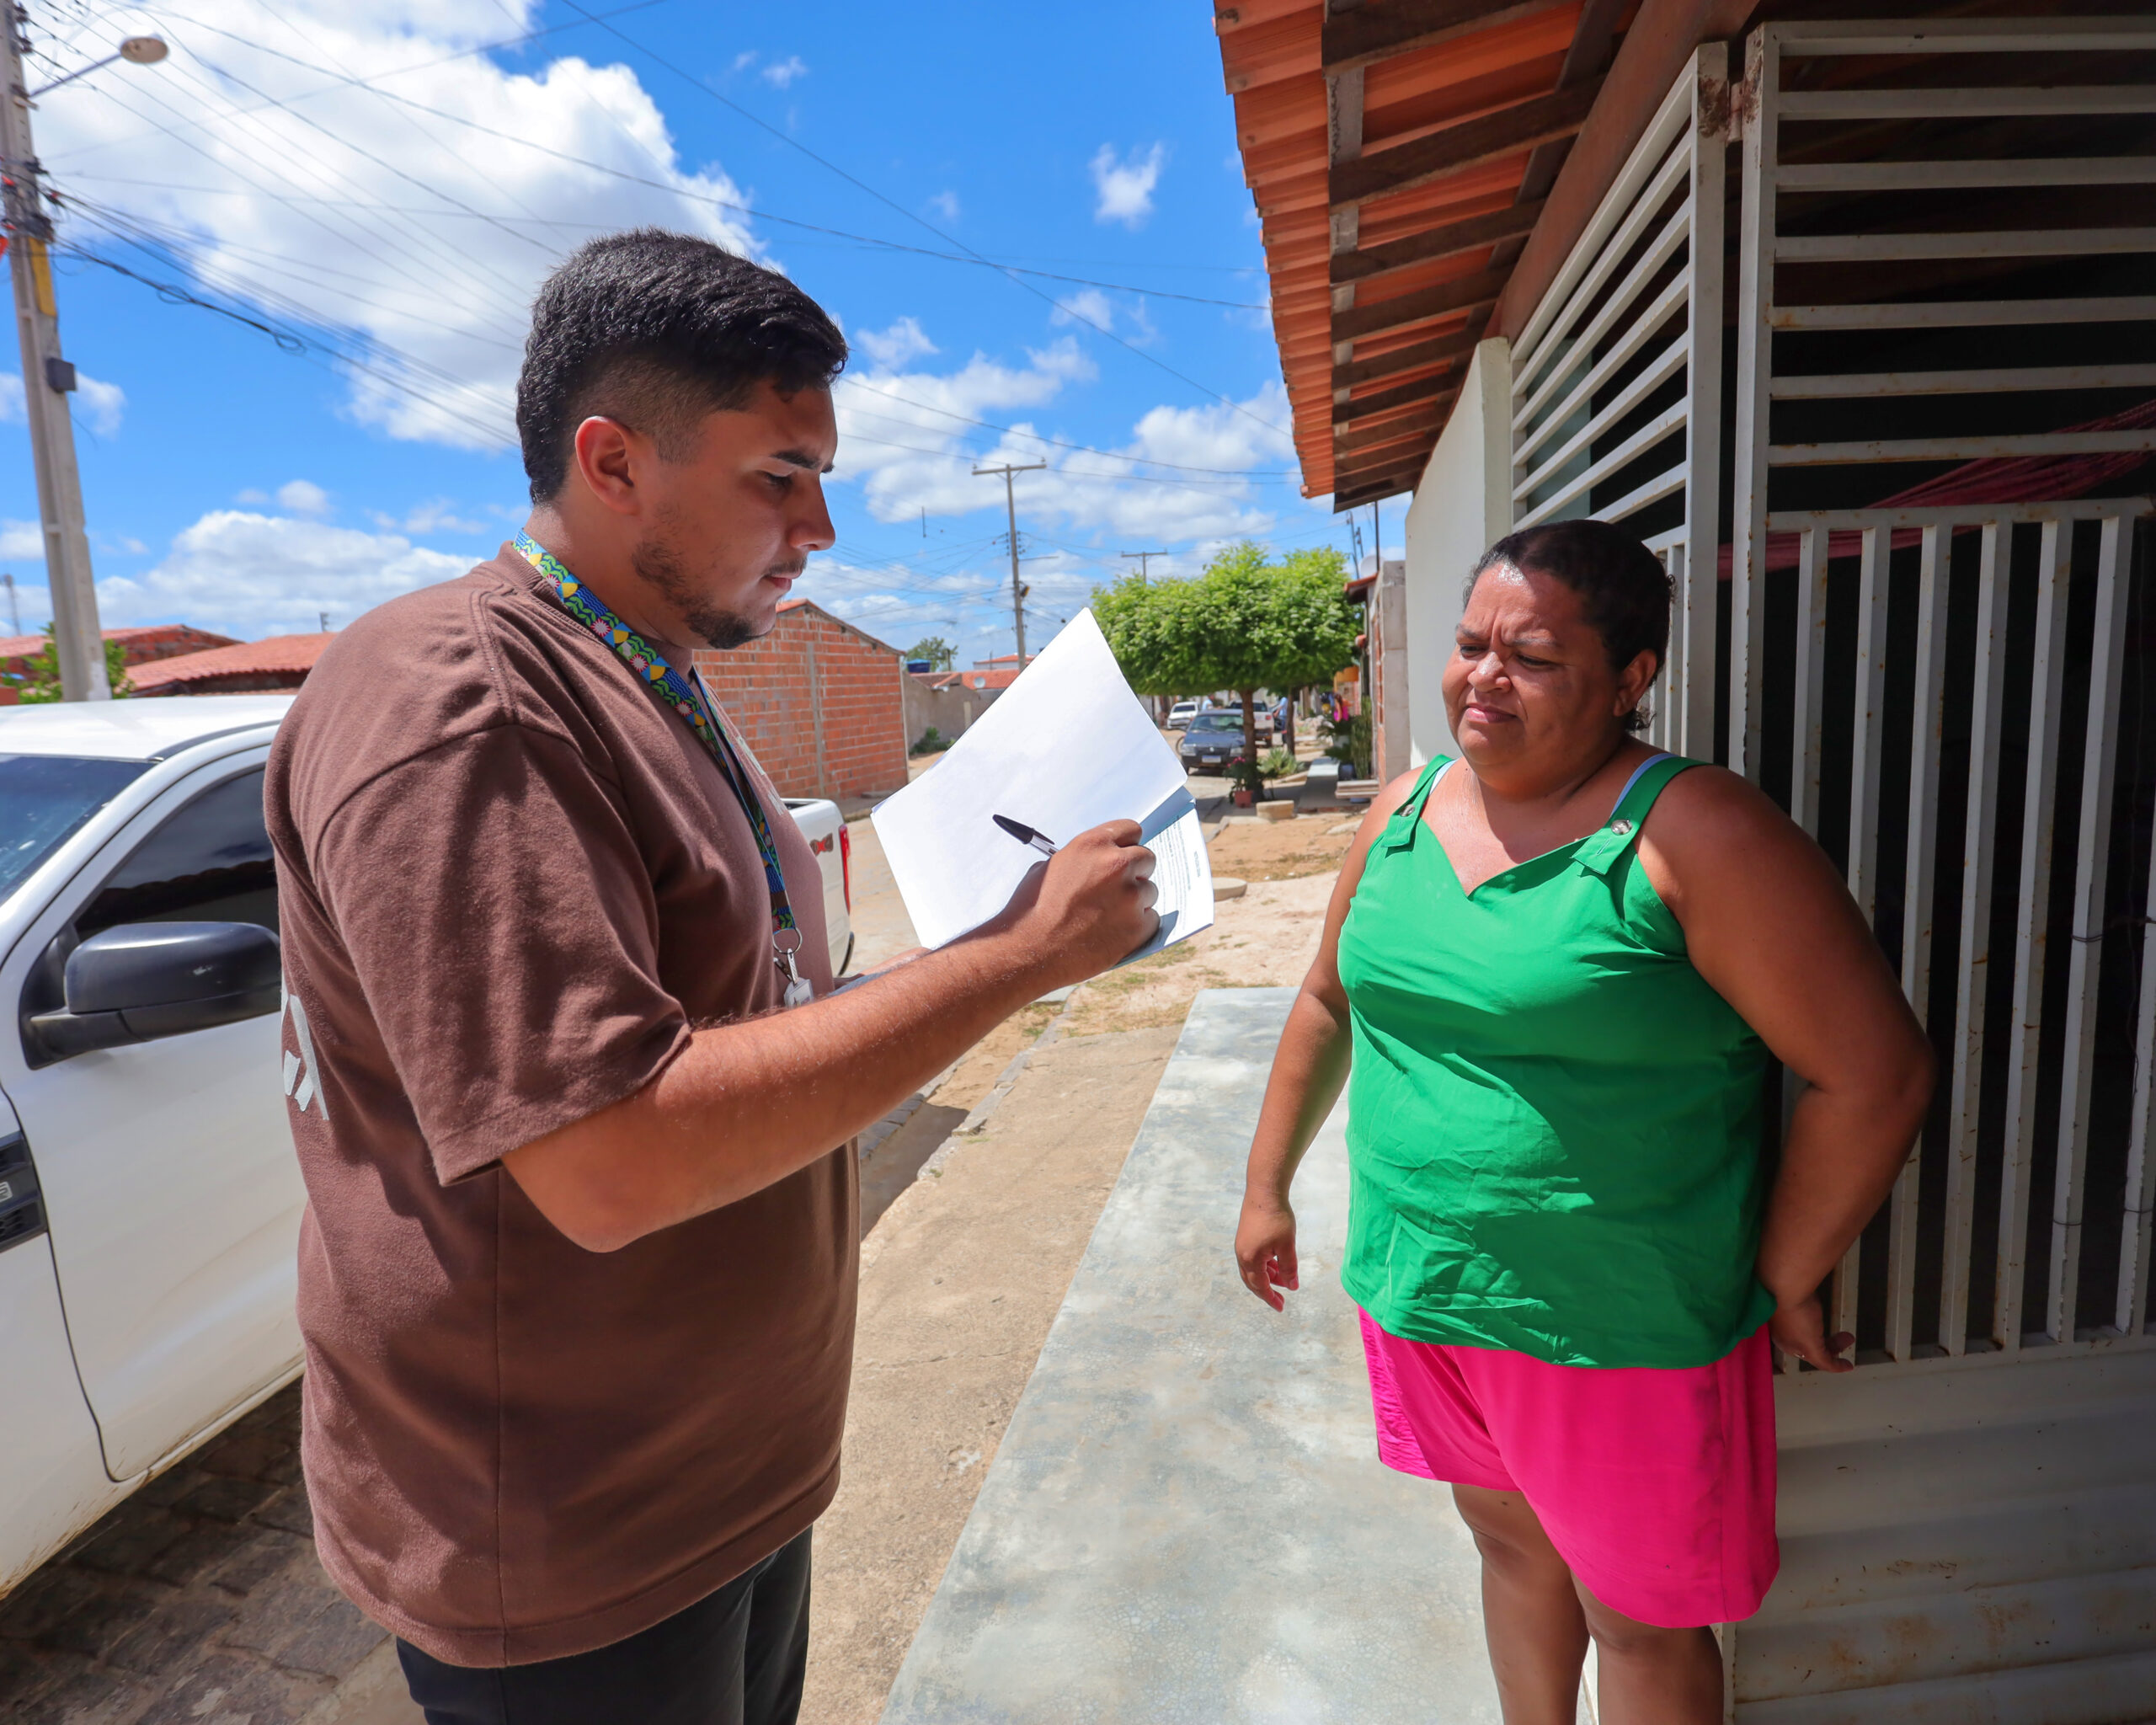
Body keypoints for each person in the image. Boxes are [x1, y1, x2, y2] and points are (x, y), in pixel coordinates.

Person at [266, 230, 1158, 1725]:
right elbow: (609, 1155)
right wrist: (1019, 958)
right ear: (611, 463)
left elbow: (742, 1019)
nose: (818, 527)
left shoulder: (651, 668)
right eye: (780, 475)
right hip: (566, 1547)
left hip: (718, 1483)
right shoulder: (468, 699)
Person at [1232, 519, 1931, 1725]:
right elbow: (1327, 997)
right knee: (1508, 1547)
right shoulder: (1403, 806)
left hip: (1619, 1325)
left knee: (1642, 1623)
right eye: (1469, 645)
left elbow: (1874, 1076)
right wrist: (1265, 1188)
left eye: (1535, 657)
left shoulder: (1693, 833)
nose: (1483, 677)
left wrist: (1778, 1271)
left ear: (1631, 679)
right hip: (1431, 1292)